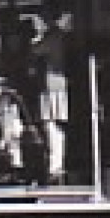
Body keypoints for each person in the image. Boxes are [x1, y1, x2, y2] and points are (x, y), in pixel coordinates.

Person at [30, 11, 71, 183]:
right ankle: (55, 163)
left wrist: (37, 37)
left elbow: (36, 51)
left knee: (52, 126)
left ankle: (56, 164)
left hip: (52, 86)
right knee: (53, 126)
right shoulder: (60, 37)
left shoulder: (53, 37)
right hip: (54, 85)